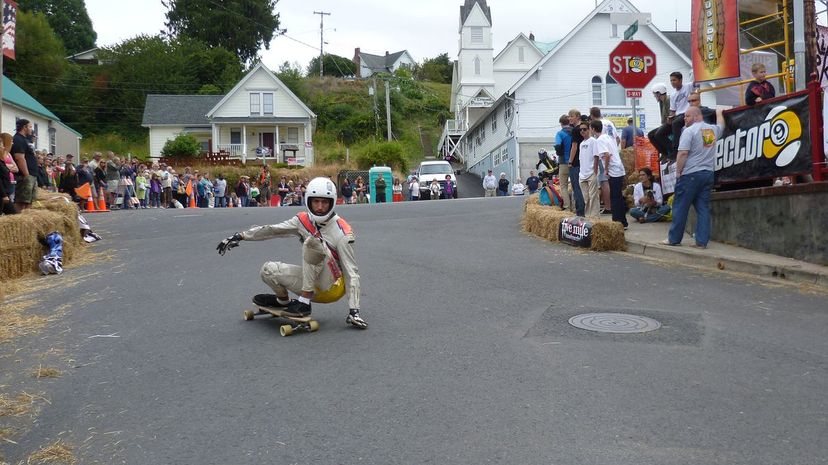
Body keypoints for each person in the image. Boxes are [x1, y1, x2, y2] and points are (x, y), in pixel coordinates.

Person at [216, 177, 368, 329]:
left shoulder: (343, 232)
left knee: (312, 243)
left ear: (332, 202)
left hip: (332, 286)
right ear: (308, 200)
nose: (320, 207)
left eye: (325, 202)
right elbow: (273, 230)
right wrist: (240, 236)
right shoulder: (302, 220)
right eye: (316, 201)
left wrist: (354, 311)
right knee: (268, 270)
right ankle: (283, 302)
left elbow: (351, 272)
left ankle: (304, 303)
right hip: (313, 281)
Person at [663, 106, 725, 248]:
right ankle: (702, 242)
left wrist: (678, 172)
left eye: (687, 116)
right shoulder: (711, 130)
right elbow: (721, 126)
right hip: (707, 173)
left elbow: (683, 153)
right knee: (703, 208)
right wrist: (719, 113)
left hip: (690, 174)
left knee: (680, 207)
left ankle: (674, 239)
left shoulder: (689, 131)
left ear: (697, 116)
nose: (684, 118)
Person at [591, 119, 627, 228]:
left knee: (614, 197)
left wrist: (606, 169)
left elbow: (606, 155)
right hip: (619, 168)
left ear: (593, 129)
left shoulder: (600, 140)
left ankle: (616, 222)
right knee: (618, 196)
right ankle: (623, 222)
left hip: (613, 170)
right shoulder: (608, 137)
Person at [10, 119, 38, 211]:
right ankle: (18, 221)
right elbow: (19, 158)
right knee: (21, 201)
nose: (31, 129)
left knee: (29, 201)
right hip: (23, 176)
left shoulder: (26, 140)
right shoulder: (18, 139)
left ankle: (27, 222)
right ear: (24, 127)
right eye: (30, 127)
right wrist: (26, 175)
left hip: (32, 174)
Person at [578, 121, 601, 218]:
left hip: (591, 172)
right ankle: (588, 216)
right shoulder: (581, 143)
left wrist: (595, 172)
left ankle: (595, 217)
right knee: (586, 198)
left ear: (589, 130)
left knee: (593, 196)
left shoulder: (593, 141)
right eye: (581, 130)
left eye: (584, 129)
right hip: (582, 174)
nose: (582, 131)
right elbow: (581, 159)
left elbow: (596, 156)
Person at [567, 110, 586, 216]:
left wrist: (570, 161)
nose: (570, 118)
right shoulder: (585, 128)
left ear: (578, 117)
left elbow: (574, 147)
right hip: (584, 161)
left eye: (572, 116)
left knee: (576, 187)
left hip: (576, 162)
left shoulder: (575, 130)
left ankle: (580, 211)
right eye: (569, 116)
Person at [554, 114, 573, 211]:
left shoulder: (560, 134)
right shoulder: (575, 132)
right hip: (575, 162)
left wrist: (559, 153)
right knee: (575, 185)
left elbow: (557, 145)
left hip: (564, 162)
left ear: (561, 123)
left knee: (564, 186)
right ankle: (575, 206)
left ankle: (567, 206)